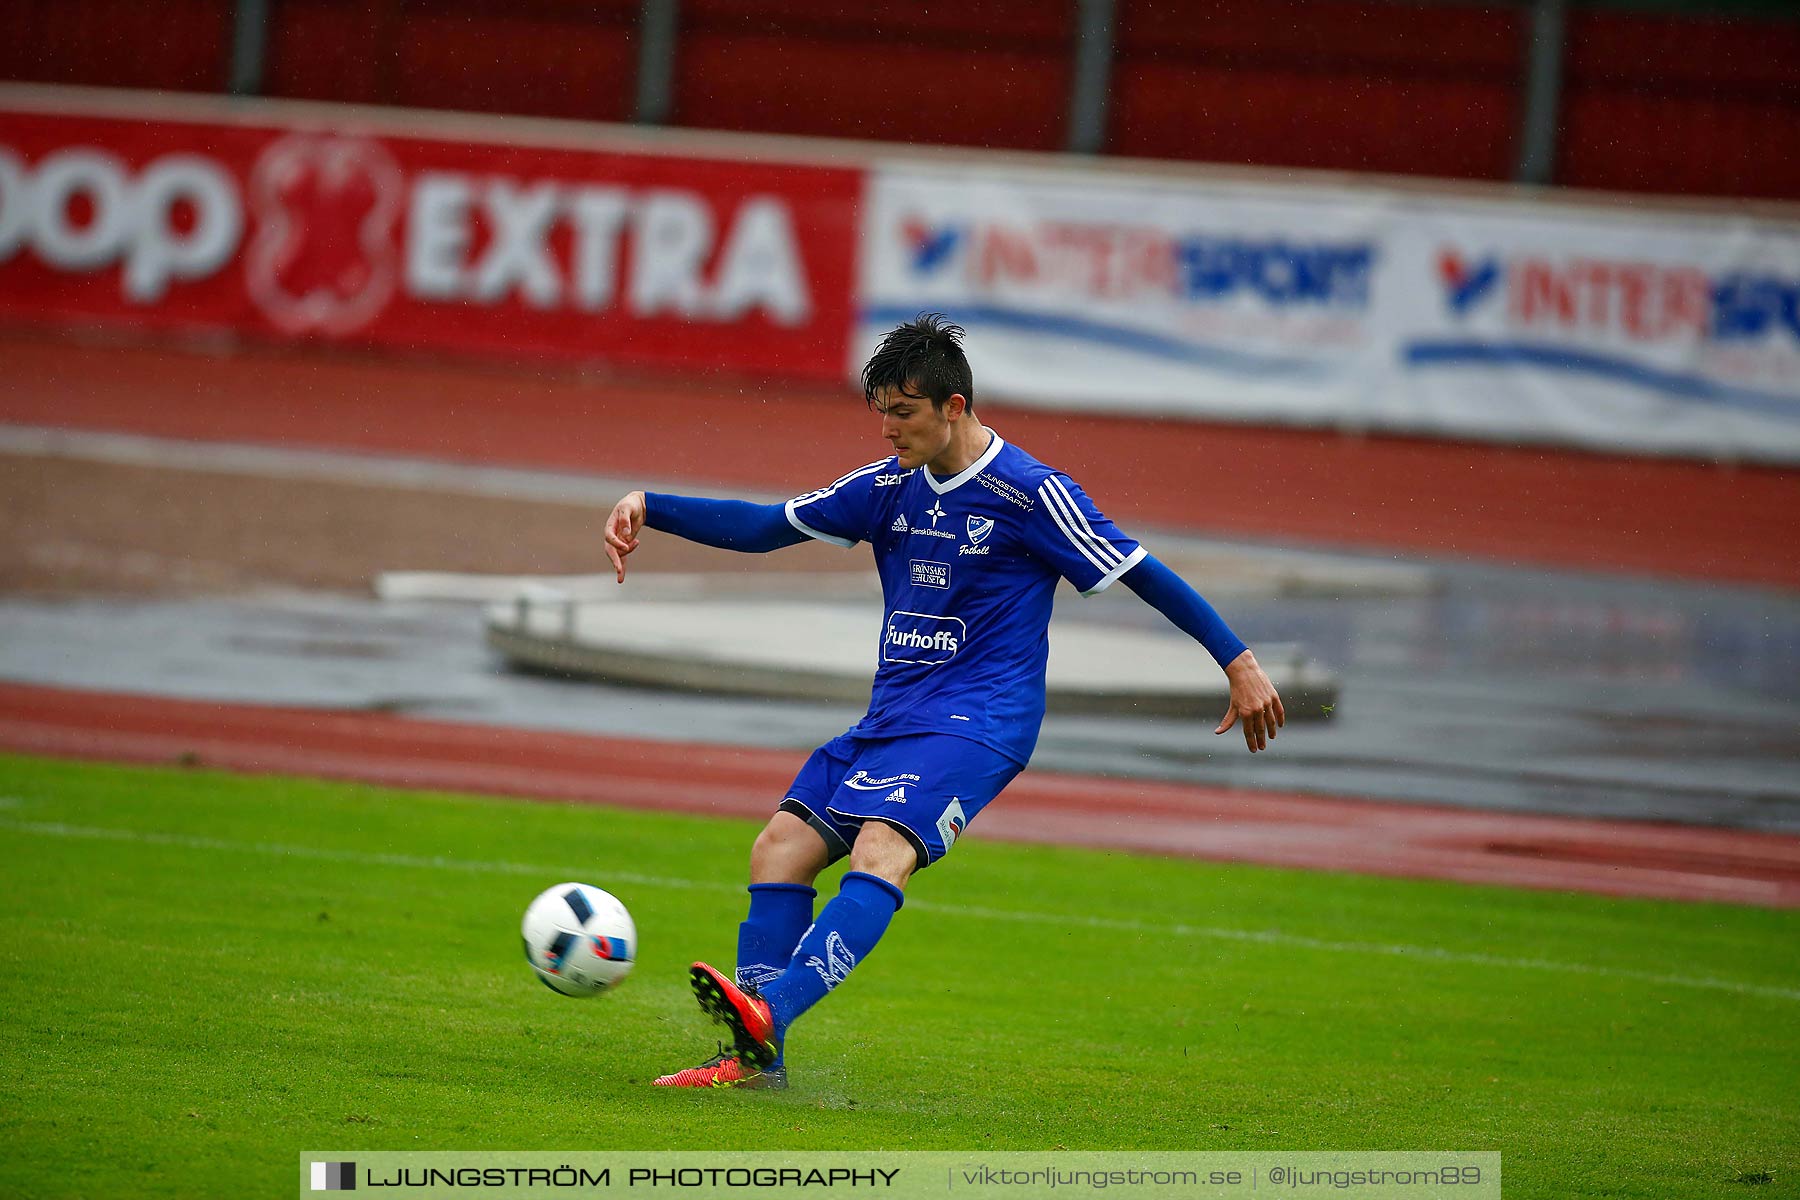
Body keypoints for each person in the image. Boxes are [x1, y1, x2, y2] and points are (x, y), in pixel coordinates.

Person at [602, 314, 1283, 1090]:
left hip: (982, 722)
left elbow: (1141, 570)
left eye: (904, 414)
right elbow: (766, 526)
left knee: (880, 849)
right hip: (893, 717)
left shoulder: (1032, 494)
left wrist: (1239, 660)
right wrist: (649, 505)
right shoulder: (884, 487)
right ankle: (758, 1064)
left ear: (953, 407)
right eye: (882, 414)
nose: (889, 430)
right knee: (779, 848)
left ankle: (769, 1015)